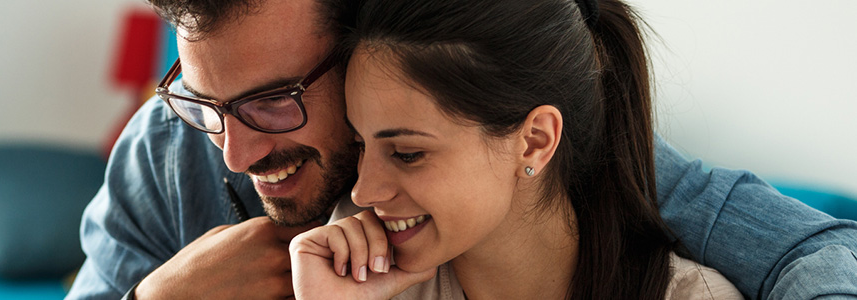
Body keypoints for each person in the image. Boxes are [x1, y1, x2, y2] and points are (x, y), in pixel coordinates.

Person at [65, 0, 857, 298]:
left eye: (274, 100)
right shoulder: (167, 151)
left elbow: (812, 249)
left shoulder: (567, 140)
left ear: (367, 52)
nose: (232, 152)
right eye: (205, 100)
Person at [289, 0, 741, 298]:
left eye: (407, 154)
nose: (364, 192)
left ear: (535, 141)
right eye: (361, 145)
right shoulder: (359, 280)